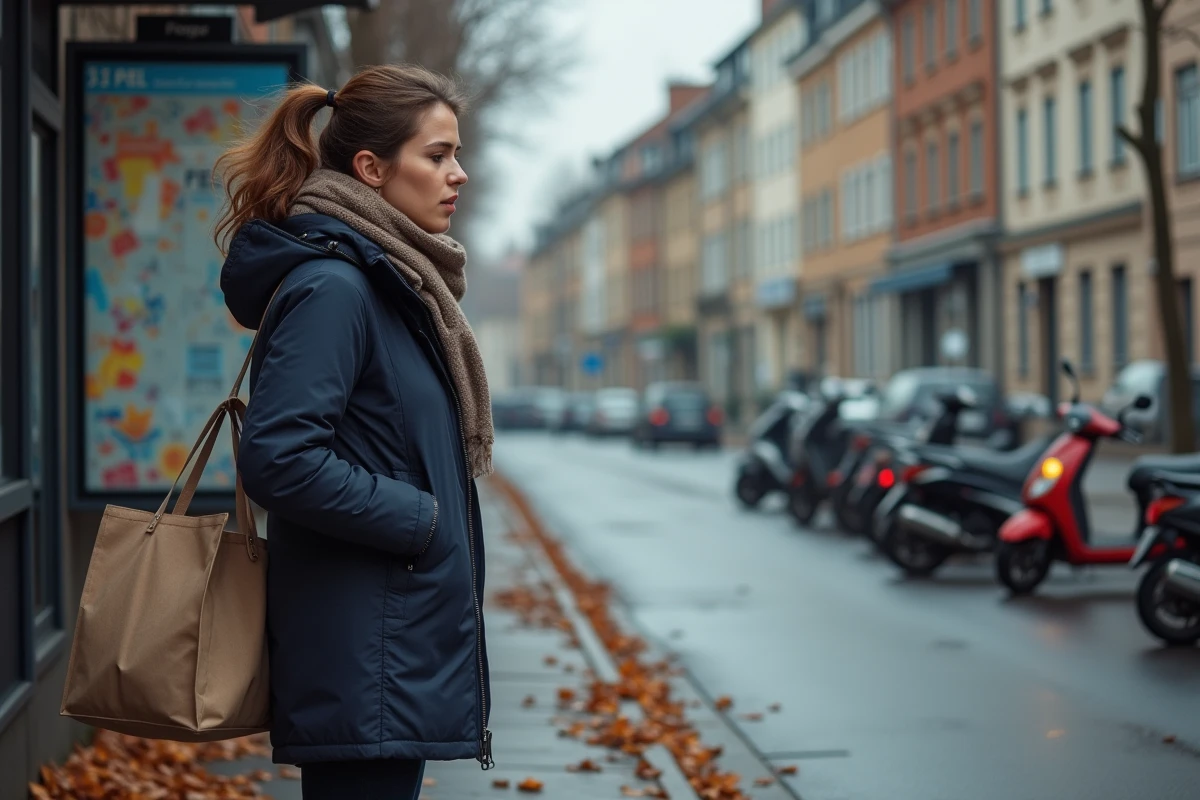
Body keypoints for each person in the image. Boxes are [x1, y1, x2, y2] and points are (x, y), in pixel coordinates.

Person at [213, 64, 494, 800]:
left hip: (387, 648)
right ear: (370, 168)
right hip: (369, 656)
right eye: (436, 156)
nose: (458, 174)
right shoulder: (336, 289)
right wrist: (422, 518)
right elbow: (279, 457)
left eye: (455, 154)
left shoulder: (387, 283)